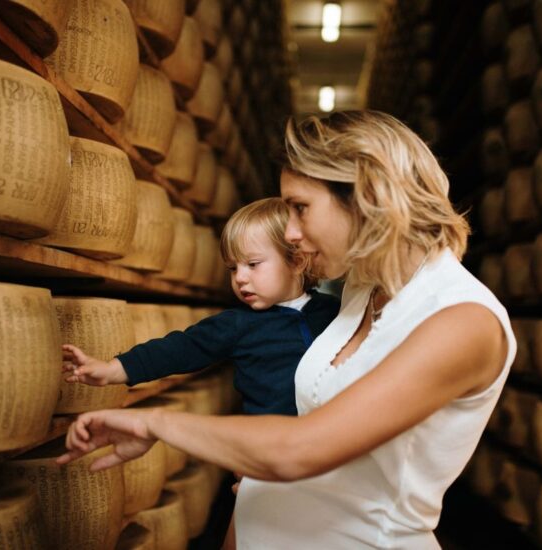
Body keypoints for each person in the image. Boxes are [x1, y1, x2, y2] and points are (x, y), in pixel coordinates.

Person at [57, 110, 516, 549]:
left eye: (300, 208)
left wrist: (154, 421)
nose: (291, 233)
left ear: (366, 193)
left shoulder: (463, 321)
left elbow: (302, 448)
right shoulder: (360, 288)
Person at [61, 197, 341, 416]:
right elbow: (177, 350)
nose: (240, 277)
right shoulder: (236, 325)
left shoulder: (335, 312)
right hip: (271, 453)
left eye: (253, 264)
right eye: (233, 268)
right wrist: (113, 370)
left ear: (296, 261)